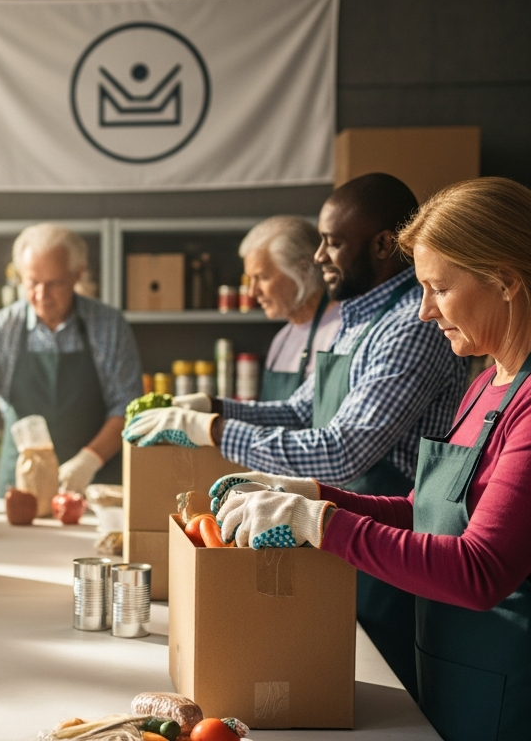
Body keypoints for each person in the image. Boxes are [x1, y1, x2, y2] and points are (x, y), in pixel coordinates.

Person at [210, 177, 531, 740]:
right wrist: (311, 494)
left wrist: (319, 523)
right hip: (469, 678)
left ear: (505, 281)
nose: (423, 312)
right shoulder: (490, 379)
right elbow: (423, 513)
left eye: (438, 288)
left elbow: (480, 570)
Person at [125, 173, 470, 696]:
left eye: (332, 242)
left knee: (386, 706)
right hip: (337, 537)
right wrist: (212, 406)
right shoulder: (360, 320)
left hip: (387, 557)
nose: (320, 256)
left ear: (382, 245)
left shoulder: (409, 327)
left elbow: (343, 451)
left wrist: (210, 429)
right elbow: (300, 409)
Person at [0, 223, 141, 495]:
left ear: (77, 274)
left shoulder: (108, 327)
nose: (42, 296)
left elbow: (127, 407)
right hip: (20, 487)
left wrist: (89, 460)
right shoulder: (3, 329)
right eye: (32, 283)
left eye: (55, 284)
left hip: (93, 487)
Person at [240, 215, 341, 401]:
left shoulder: (341, 331)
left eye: (262, 277)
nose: (252, 292)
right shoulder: (281, 340)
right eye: (250, 279)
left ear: (302, 270)